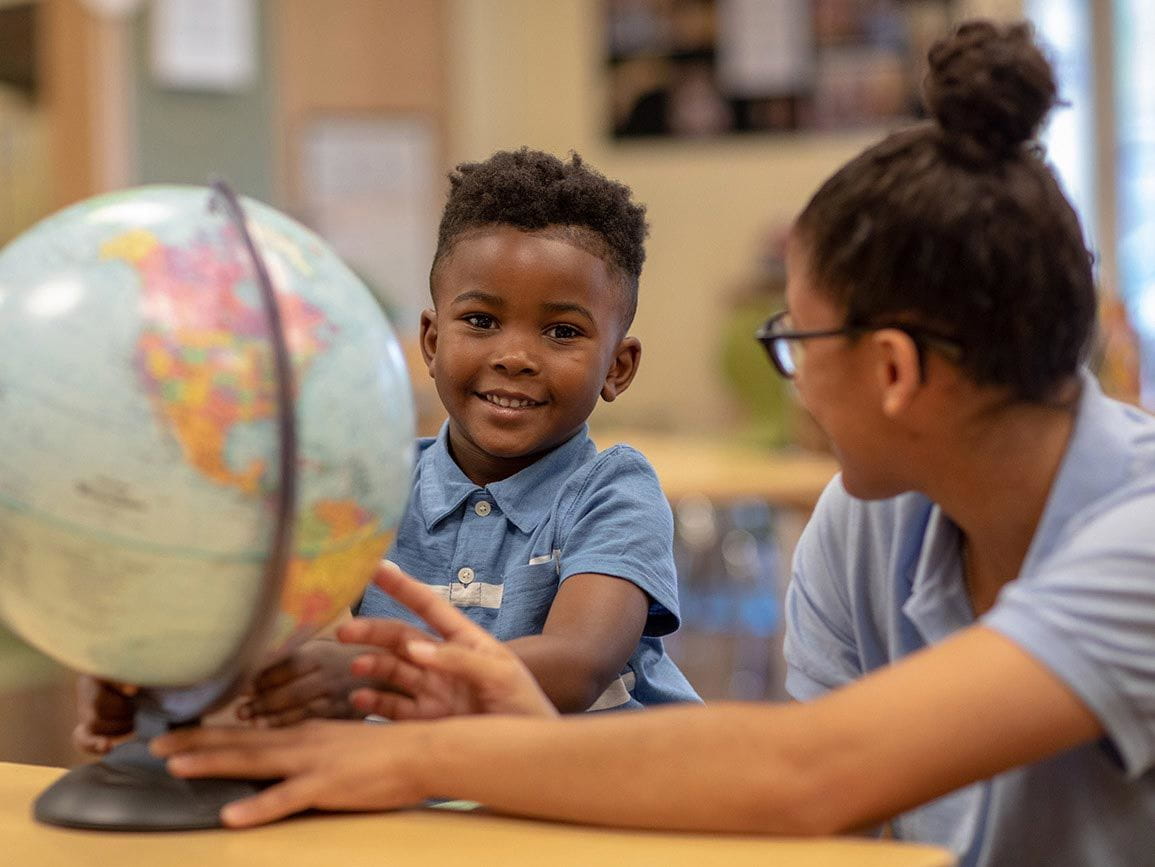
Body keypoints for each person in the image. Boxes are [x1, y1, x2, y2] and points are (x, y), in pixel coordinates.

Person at [152, 20, 1155, 866]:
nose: (788, 380)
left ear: (892, 371)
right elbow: (833, 828)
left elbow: (809, 771)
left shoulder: (1141, 545)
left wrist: (411, 754)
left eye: (793, 342)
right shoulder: (861, 524)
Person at [74, 148, 698, 752]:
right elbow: (266, 632)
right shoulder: (372, 487)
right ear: (430, 341)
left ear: (618, 367)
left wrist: (375, 675)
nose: (514, 356)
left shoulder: (615, 491)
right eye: (480, 320)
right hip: (418, 800)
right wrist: (167, 689)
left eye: (562, 332)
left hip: (593, 805)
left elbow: (577, 663)